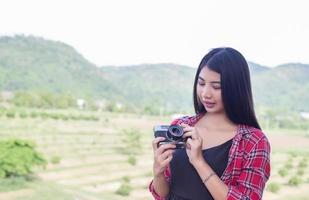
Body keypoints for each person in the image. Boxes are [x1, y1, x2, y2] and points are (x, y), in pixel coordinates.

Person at [149, 47, 271, 200]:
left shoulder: (254, 141)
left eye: (216, 86)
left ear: (235, 88)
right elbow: (163, 194)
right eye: (201, 83)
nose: (205, 93)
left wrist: (199, 162)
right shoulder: (180, 126)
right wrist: (158, 173)